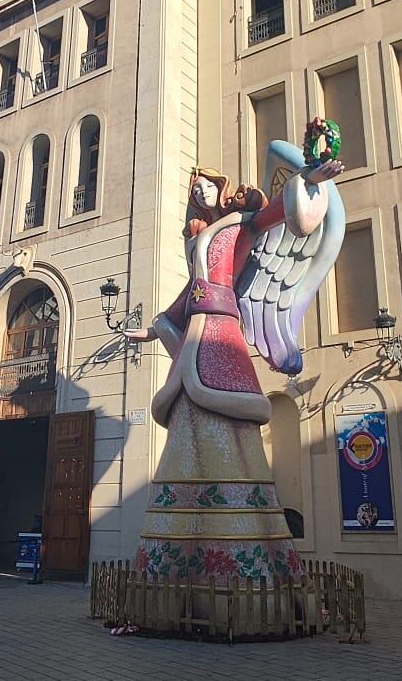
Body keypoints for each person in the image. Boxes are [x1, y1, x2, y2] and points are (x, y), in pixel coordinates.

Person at [122, 135, 344, 584]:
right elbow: (192, 292)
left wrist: (308, 178)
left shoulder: (240, 224)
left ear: (220, 189)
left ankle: (240, 544)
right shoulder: (203, 238)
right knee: (188, 410)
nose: (200, 192)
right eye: (194, 189)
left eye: (206, 185)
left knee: (220, 403)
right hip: (199, 325)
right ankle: (179, 552)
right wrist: (153, 328)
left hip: (222, 329)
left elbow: (282, 214)